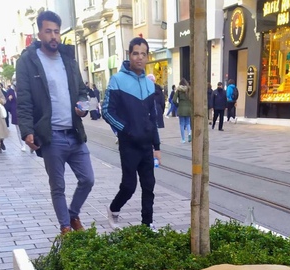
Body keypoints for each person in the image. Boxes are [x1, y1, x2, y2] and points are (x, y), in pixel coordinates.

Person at [16, 10, 95, 235]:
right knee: (57, 186)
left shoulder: (68, 59)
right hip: (51, 136)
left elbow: (82, 91)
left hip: (74, 133)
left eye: (56, 32)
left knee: (88, 179)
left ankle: (73, 213)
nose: (53, 36)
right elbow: (24, 100)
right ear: (39, 33)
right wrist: (27, 131)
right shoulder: (28, 62)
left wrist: (83, 107)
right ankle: (65, 227)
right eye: (48, 31)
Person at [102, 36, 161, 230]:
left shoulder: (150, 84)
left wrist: (157, 146)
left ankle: (147, 225)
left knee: (149, 186)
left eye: (143, 54)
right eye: (136, 53)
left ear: (147, 57)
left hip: (146, 146)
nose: (139, 58)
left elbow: (153, 118)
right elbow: (107, 111)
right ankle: (114, 208)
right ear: (130, 55)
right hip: (128, 145)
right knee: (129, 186)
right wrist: (125, 130)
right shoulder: (117, 80)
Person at [5, 79, 26, 152]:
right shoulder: (10, 91)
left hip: (24, 111)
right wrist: (9, 98)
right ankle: (22, 145)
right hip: (15, 112)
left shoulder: (23, 88)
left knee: (27, 128)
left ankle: (30, 143)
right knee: (19, 130)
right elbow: (6, 102)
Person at [175, 79, 192, 143]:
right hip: (188, 109)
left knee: (182, 124)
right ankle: (189, 133)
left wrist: (178, 105)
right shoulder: (189, 90)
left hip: (181, 109)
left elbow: (174, 100)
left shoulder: (178, 90)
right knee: (188, 123)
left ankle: (183, 139)